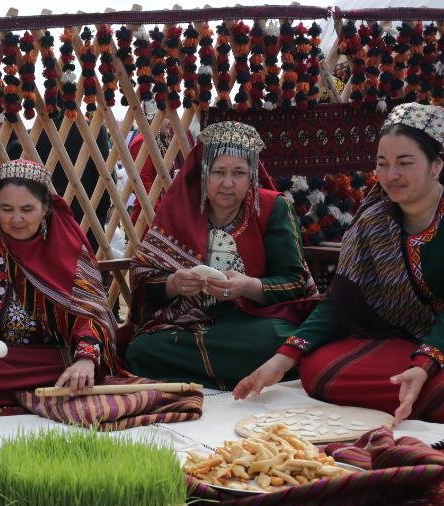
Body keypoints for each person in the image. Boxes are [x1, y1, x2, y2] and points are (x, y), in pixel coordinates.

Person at [235, 103, 444, 424]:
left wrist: (425, 364)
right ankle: (421, 392)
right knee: (320, 368)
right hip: (408, 339)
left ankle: (422, 387)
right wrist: (282, 359)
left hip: (433, 347)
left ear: (436, 165)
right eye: (382, 163)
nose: (390, 175)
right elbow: (339, 301)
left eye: (405, 163)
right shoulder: (373, 222)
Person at [126, 121, 321, 390]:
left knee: (277, 338)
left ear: (252, 174)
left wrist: (247, 286)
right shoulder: (182, 210)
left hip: (254, 322)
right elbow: (143, 279)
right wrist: (175, 284)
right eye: (219, 172)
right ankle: (236, 376)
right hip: (191, 325)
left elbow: (294, 282)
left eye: (239, 173)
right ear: (204, 173)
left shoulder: (272, 207)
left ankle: (200, 379)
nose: (228, 183)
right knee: (143, 349)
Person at [0, 159, 122, 408]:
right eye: (6, 209)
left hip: (50, 360)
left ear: (46, 208)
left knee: (82, 373)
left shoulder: (67, 248)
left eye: (27, 209)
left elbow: (91, 315)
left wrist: (85, 360)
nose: (16, 219)